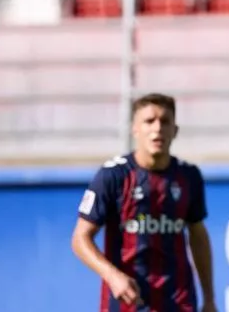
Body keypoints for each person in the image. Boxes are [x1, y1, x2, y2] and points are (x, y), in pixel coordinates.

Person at [71, 93, 217, 312]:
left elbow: (197, 235)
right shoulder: (113, 176)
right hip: (128, 302)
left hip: (179, 300)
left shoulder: (189, 177)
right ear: (135, 129)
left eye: (165, 121)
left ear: (175, 130)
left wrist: (209, 298)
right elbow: (80, 239)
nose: (157, 128)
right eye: (149, 121)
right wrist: (112, 276)